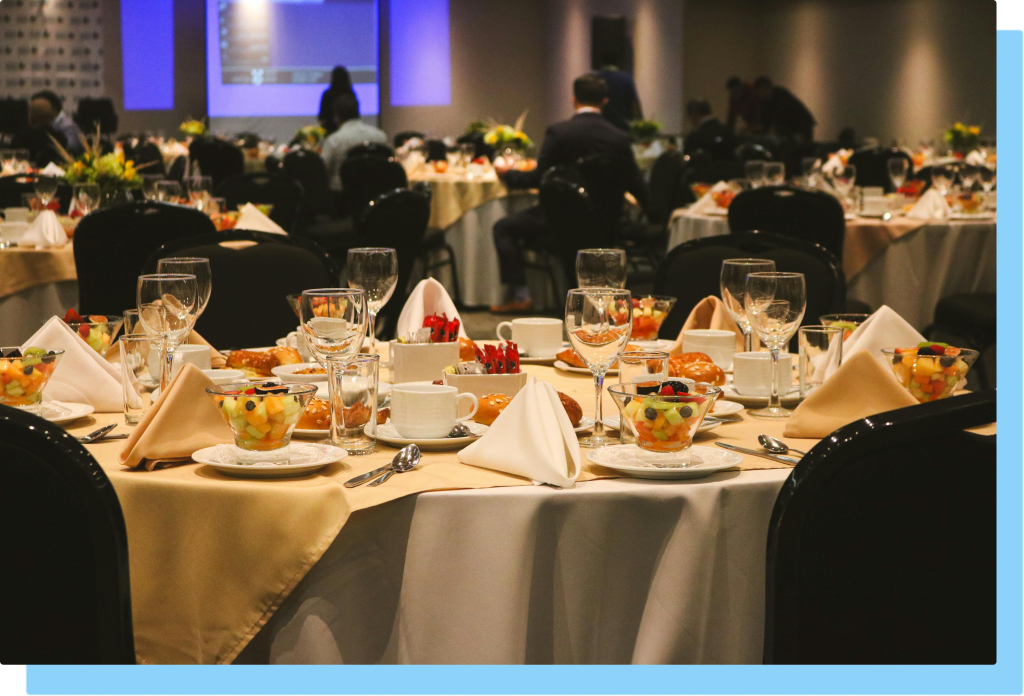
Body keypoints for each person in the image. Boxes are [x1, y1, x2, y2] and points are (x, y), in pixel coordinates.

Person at [490, 73, 647, 313]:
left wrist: (507, 174)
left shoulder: (560, 132)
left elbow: (536, 178)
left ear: (574, 100)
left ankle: (522, 295)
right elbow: (636, 184)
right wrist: (655, 214)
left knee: (503, 228)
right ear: (605, 101)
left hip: (558, 222)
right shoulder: (619, 138)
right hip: (607, 223)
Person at [320, 93, 388, 192]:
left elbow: (323, 170)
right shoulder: (381, 136)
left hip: (343, 199)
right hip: (376, 193)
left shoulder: (335, 140)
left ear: (336, 117)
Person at [754, 76, 816, 142]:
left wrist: (772, 127)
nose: (760, 94)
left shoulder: (780, 95)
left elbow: (780, 113)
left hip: (800, 126)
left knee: (801, 147)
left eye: (761, 91)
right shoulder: (765, 100)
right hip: (792, 127)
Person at [596, 50, 643, 132]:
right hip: (622, 126)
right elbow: (634, 104)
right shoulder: (626, 79)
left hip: (600, 126)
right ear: (618, 62)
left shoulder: (595, 79)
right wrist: (641, 124)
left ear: (601, 62)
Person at [29, 91, 83, 155]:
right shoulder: (33, 128)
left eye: (39, 109)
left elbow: (70, 149)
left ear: (54, 107)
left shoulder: (69, 126)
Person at [318, 66, 356, 134]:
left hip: (330, 131)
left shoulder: (327, 94)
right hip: (350, 131)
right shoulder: (351, 94)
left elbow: (322, 116)